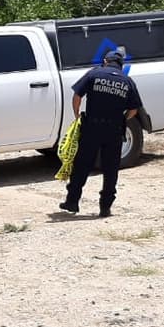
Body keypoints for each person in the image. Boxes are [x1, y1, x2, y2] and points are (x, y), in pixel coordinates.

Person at [59, 50, 142, 218]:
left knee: (82, 165)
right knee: (111, 169)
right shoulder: (127, 81)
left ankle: (72, 201)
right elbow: (134, 109)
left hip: (92, 127)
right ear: (121, 65)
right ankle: (105, 207)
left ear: (105, 61)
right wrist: (123, 119)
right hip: (114, 130)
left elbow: (77, 95)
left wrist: (77, 115)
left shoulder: (94, 74)